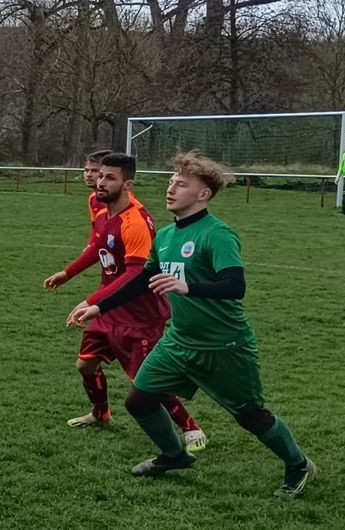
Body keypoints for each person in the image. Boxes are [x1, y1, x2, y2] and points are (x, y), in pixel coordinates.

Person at [68, 152, 315, 498]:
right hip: (179, 341)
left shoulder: (218, 234)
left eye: (182, 184)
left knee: (250, 416)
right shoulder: (167, 235)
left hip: (223, 345)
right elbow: (143, 280)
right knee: (139, 400)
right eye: (171, 181)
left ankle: (298, 464)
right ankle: (174, 455)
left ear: (203, 195)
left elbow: (235, 286)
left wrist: (189, 287)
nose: (171, 188)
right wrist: (98, 306)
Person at [44, 152, 206, 451]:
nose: (99, 181)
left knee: (146, 380)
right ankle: (100, 412)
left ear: (128, 184)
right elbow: (99, 246)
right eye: (99, 175)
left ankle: (190, 427)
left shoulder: (135, 223)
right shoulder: (103, 211)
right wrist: (68, 273)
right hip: (109, 309)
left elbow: (136, 274)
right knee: (86, 365)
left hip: (138, 313)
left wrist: (92, 300)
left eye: (109, 177)